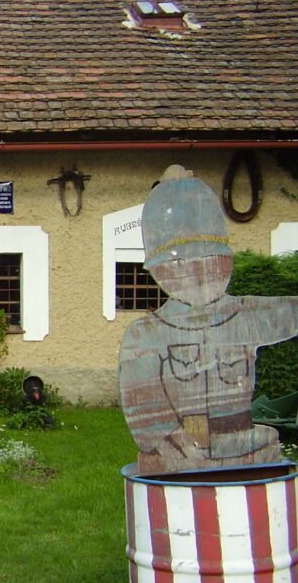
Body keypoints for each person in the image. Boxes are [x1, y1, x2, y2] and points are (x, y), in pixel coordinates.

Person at [118, 166, 298, 475]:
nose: (197, 272)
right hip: (183, 447)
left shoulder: (246, 316)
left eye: (210, 259)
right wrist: (166, 440)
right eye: (179, 263)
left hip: (243, 443)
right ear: (159, 270)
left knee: (267, 451)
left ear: (226, 258)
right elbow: (140, 406)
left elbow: (289, 313)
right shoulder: (145, 335)